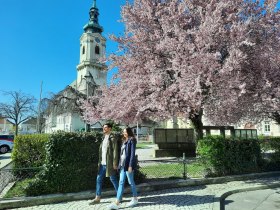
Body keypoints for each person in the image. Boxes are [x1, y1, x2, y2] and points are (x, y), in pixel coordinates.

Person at [108, 127, 138, 209]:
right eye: (123, 132)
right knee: (121, 182)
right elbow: (121, 155)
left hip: (128, 165)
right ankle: (117, 202)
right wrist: (119, 164)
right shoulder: (124, 141)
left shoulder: (132, 140)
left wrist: (131, 166)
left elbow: (132, 154)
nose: (124, 133)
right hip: (122, 165)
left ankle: (135, 198)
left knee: (131, 181)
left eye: (125, 132)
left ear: (129, 132)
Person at [90, 123, 119, 205]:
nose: (104, 129)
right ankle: (97, 198)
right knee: (98, 179)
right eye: (103, 128)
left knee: (113, 179)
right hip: (102, 163)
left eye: (106, 127)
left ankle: (119, 196)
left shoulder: (113, 138)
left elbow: (115, 151)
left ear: (110, 128)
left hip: (109, 163)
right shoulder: (103, 138)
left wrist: (115, 163)